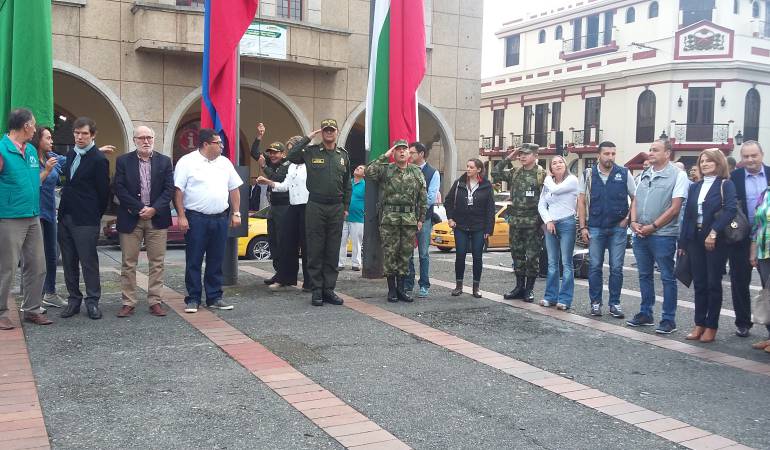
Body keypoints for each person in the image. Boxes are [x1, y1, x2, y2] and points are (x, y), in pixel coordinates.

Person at [174, 128, 243, 313]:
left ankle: (214, 297)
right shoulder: (187, 162)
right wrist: (181, 216)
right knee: (194, 259)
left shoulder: (225, 163)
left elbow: (234, 189)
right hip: (196, 219)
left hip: (220, 218)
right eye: (218, 143)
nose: (221, 146)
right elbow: (178, 190)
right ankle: (193, 298)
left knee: (216, 259)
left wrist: (236, 213)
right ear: (205, 144)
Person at [287, 119, 351, 306]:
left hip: (336, 207)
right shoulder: (310, 152)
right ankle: (316, 290)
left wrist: (346, 206)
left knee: (332, 250)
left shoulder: (343, 155)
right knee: (315, 248)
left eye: (332, 130)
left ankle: (328, 289)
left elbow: (347, 183)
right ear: (321, 132)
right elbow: (291, 155)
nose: (329, 133)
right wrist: (307, 138)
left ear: (337, 132)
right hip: (316, 205)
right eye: (325, 130)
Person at [627, 139, 689, 334]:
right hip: (640, 233)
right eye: (650, 150)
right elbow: (636, 199)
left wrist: (653, 227)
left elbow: (675, 208)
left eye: (655, 150)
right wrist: (634, 222)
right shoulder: (645, 173)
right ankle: (646, 313)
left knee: (667, 277)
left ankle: (668, 319)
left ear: (667, 153)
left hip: (663, 234)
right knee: (644, 275)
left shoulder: (678, 176)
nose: (651, 153)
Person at [0, 108, 54, 329]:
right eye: (33, 124)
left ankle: (32, 309)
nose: (35, 128)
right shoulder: (2, 149)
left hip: (33, 215)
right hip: (10, 217)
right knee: (7, 267)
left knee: (38, 264)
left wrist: (47, 171)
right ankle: (1, 311)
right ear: (26, 126)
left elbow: (35, 182)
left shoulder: (31, 151)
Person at [113, 126, 174, 318]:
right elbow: (119, 188)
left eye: (149, 137)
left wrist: (154, 208)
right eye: (142, 138)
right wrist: (140, 207)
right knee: (128, 263)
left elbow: (169, 189)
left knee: (157, 262)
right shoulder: (123, 161)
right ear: (135, 140)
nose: (146, 141)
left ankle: (155, 301)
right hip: (132, 217)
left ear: (154, 139)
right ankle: (128, 302)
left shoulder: (165, 162)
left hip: (157, 218)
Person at [678, 149, 737, 342]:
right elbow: (688, 215)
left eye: (709, 161)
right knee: (700, 283)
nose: (704, 164)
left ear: (718, 163)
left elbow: (730, 210)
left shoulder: (726, 185)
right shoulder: (695, 186)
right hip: (695, 238)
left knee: (713, 284)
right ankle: (699, 324)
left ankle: (712, 325)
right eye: (702, 161)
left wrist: (713, 232)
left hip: (716, 240)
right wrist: (683, 242)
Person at [58, 117, 111, 320]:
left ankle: (93, 301)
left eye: (84, 134)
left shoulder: (99, 160)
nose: (79, 137)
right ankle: (73, 300)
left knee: (88, 262)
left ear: (93, 135)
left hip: (86, 220)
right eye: (76, 133)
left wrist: (93, 216)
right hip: (65, 217)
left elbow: (103, 193)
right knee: (69, 262)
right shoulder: (71, 154)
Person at [577, 141, 636, 318]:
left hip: (618, 228)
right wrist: (583, 227)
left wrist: (628, 219)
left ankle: (615, 304)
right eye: (607, 154)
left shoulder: (624, 173)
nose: (610, 157)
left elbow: (635, 198)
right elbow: (581, 201)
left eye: (613, 154)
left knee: (616, 268)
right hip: (595, 227)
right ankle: (595, 303)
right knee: (595, 266)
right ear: (598, 155)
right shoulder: (588, 174)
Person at [366, 140, 427, 302]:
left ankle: (401, 290)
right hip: (389, 220)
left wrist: (421, 218)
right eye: (398, 150)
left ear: (409, 154)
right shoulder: (387, 170)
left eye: (404, 150)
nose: (401, 152)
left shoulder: (416, 171)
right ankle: (391, 290)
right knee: (390, 254)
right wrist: (384, 155)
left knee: (405, 256)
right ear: (394, 153)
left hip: (408, 220)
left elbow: (422, 196)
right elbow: (369, 172)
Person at [492, 143, 546, 303]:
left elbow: (547, 200)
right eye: (520, 154)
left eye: (526, 154)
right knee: (517, 256)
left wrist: (543, 223)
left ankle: (529, 289)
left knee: (532, 257)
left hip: (533, 224)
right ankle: (519, 287)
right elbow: (495, 172)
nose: (522, 157)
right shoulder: (515, 172)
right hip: (515, 222)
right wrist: (509, 157)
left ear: (536, 156)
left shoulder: (541, 175)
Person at [729, 141, 770, 337]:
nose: (750, 160)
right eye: (746, 156)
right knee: (739, 281)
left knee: (768, 284)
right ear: (741, 158)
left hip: (766, 238)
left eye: (754, 155)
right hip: (740, 236)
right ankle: (743, 322)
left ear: (761, 154)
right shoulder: (734, 177)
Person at [258, 136, 310, 290]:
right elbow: (284, 184)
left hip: (306, 206)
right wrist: (269, 183)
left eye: (292, 149)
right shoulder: (292, 166)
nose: (290, 152)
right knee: (287, 244)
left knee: (307, 246)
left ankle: (310, 282)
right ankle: (286, 278)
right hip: (293, 207)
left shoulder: (309, 164)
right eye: (289, 149)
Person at [444, 158, 495, 298]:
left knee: (477, 257)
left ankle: (476, 287)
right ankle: (458, 285)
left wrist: (488, 230)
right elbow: (447, 202)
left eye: (471, 167)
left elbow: (490, 209)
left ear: (478, 169)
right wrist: (450, 218)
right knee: (460, 255)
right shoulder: (459, 183)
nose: (468, 169)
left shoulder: (486, 185)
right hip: (460, 225)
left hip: (479, 226)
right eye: (467, 166)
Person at [251, 123, 290, 285]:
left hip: (285, 207)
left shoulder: (287, 164)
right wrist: (259, 136)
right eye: (271, 153)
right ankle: (278, 272)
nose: (272, 156)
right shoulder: (270, 161)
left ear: (283, 154)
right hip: (272, 207)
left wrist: (264, 167)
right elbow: (254, 153)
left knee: (282, 242)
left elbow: (277, 179)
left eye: (276, 153)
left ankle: (285, 274)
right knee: (272, 241)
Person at [539, 156, 579, 310]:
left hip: (567, 223)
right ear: (551, 167)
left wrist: (547, 179)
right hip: (551, 225)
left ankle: (565, 299)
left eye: (560, 162)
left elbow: (556, 189)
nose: (558, 164)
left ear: (565, 165)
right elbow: (542, 205)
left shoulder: (572, 180)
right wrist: (548, 220)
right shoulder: (548, 185)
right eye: (554, 163)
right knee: (552, 263)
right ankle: (550, 297)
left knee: (566, 263)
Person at [404, 142, 440, 298]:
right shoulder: (406, 170)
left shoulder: (433, 172)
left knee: (424, 253)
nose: (409, 155)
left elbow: (431, 197)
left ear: (421, 154)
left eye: (412, 152)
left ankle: (424, 284)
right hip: (407, 218)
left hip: (424, 218)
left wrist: (415, 205)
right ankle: (408, 283)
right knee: (407, 253)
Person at [749, 184, 770, 354]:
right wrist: (753, 250)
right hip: (764, 252)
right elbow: (757, 225)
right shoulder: (765, 193)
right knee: (766, 294)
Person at [339, 164, 365, 271]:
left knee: (357, 242)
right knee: (341, 241)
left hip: (358, 217)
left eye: (361, 168)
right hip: (344, 216)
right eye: (357, 167)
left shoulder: (365, 185)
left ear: (364, 174)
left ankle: (356, 263)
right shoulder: (348, 183)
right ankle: (340, 263)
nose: (357, 168)